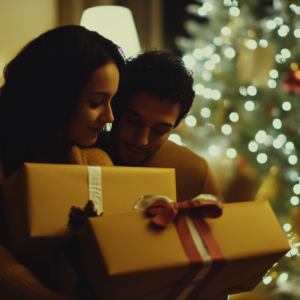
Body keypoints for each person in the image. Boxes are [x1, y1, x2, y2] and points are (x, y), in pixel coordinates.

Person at [0, 25, 125, 299]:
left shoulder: (92, 155)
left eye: (112, 101)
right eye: (96, 102)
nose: (110, 117)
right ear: (54, 99)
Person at [97, 50, 221, 203]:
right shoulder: (80, 153)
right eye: (133, 121)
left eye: (160, 130)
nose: (142, 141)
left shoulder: (195, 173)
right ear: (115, 109)